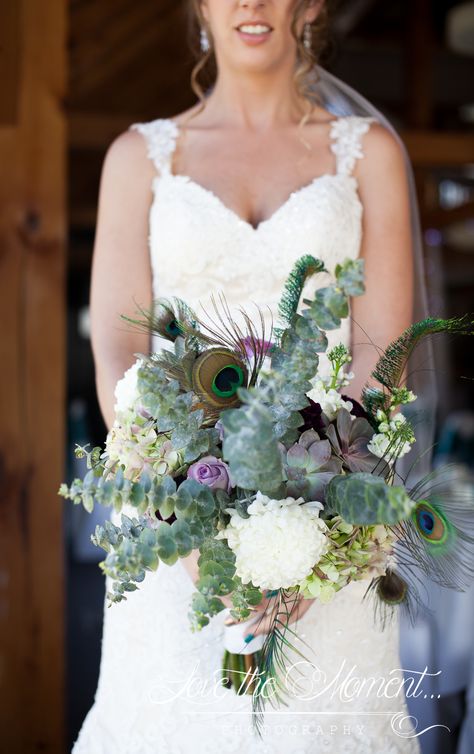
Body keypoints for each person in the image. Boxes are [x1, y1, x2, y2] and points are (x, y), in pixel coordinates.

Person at [72, 1, 422, 751]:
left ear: (315, 4)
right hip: (169, 524)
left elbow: (381, 355)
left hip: (335, 513)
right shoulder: (138, 159)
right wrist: (185, 517)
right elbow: (118, 353)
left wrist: (316, 525)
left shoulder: (370, 155)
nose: (252, 3)